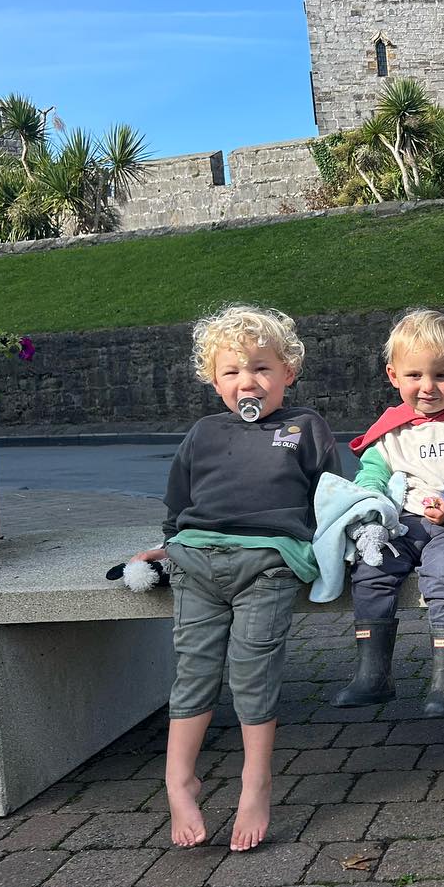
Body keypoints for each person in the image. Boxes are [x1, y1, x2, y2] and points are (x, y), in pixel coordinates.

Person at [129, 304, 341, 851]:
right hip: (197, 565)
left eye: (261, 368)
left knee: (253, 673)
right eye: (232, 371)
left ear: (288, 371)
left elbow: (333, 497)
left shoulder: (304, 427)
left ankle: (256, 782)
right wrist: (168, 545)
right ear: (214, 380)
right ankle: (179, 780)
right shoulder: (203, 433)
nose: (248, 381)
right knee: (194, 673)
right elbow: (178, 502)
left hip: (267, 565)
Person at [334, 309, 444, 717]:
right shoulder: (392, 427)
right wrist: (371, 504)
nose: (428, 387)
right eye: (414, 375)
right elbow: (372, 473)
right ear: (394, 376)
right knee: (371, 566)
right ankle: (372, 674)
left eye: (441, 375)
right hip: (403, 524)